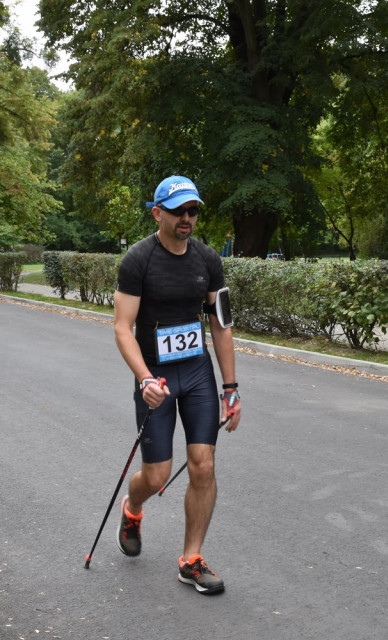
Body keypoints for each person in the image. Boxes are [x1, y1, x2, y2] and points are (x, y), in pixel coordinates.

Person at [112, 175, 241, 594]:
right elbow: (123, 328)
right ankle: (133, 508)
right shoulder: (138, 260)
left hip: (197, 372)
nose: (187, 218)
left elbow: (221, 325)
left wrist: (231, 388)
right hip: (157, 376)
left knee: (204, 464)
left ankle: (191, 559)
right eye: (178, 211)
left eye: (193, 210)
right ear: (158, 213)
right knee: (157, 476)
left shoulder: (208, 260)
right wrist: (144, 378)